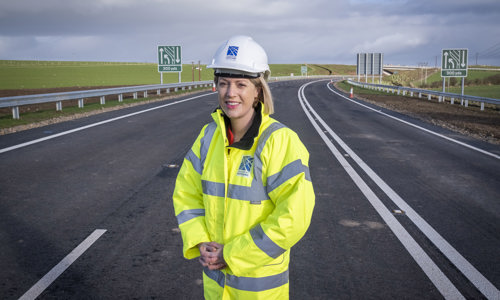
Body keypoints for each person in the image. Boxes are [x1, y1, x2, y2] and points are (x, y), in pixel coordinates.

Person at [172, 35, 315, 299]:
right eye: (224, 83)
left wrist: (232, 254)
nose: (230, 93)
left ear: (258, 90)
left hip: (260, 291)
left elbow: (294, 217)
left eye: (241, 84)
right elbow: (186, 194)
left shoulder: (280, 141)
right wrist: (200, 239)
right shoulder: (207, 137)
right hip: (216, 289)